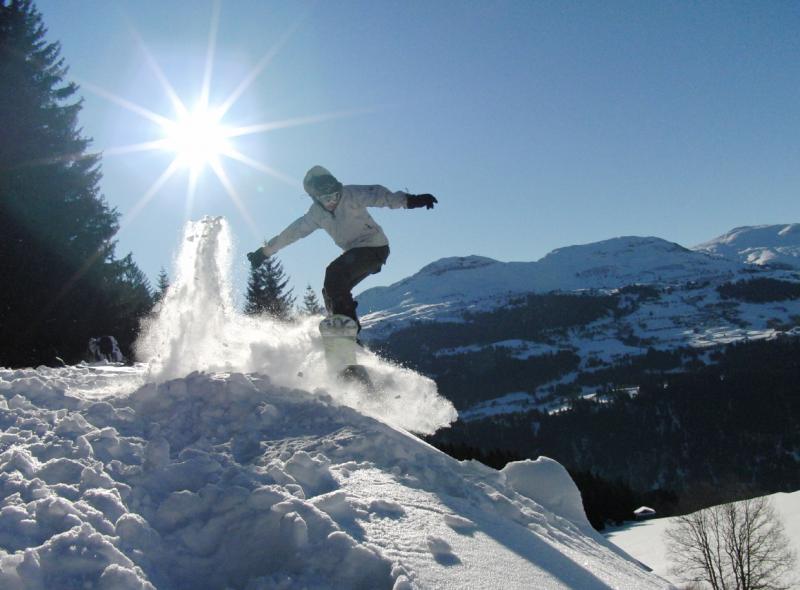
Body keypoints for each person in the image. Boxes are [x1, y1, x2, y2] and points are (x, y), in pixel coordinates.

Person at [247, 165, 437, 330]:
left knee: (334, 274)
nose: (332, 202)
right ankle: (344, 341)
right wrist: (265, 252)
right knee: (329, 291)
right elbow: (292, 233)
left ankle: (345, 329)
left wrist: (410, 201)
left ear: (338, 188)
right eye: (325, 199)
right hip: (354, 253)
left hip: (374, 246)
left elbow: (380, 196)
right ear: (315, 198)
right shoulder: (316, 214)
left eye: (334, 195)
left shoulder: (352, 194)